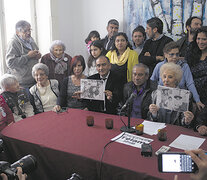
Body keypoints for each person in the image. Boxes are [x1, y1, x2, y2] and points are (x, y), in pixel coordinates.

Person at [150, 41, 204, 110]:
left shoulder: (184, 66)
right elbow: (152, 81)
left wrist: (197, 100)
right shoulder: (159, 66)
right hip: (162, 101)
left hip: (179, 101)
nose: (175, 57)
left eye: (177, 54)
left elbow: (190, 84)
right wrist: (157, 96)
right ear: (165, 54)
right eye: (171, 54)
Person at [148, 63, 194, 127]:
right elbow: (151, 119)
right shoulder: (155, 94)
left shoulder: (185, 96)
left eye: (170, 77)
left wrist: (187, 120)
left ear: (176, 79)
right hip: (158, 129)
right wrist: (154, 113)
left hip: (176, 131)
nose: (166, 80)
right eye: (164, 76)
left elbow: (184, 123)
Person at [6, 20, 41, 89]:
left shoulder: (31, 40)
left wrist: (37, 56)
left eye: (29, 30)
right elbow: (10, 63)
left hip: (34, 80)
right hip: (23, 83)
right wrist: (28, 56)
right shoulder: (13, 43)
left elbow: (34, 53)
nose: (28, 33)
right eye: (25, 31)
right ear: (17, 32)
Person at [186, 26, 207, 105]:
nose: (200, 42)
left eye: (204, 39)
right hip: (190, 94)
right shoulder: (191, 51)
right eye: (198, 39)